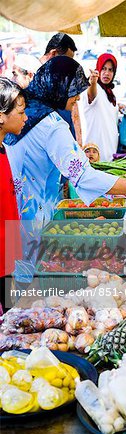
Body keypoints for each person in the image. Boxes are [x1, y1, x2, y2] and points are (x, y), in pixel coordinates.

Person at [5, 56, 126, 284]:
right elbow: (83, 175)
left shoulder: (25, 112)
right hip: (36, 222)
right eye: (74, 89)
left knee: (17, 281)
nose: (78, 96)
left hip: (14, 213)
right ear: (59, 87)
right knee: (32, 287)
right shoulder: (52, 126)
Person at [0, 78, 27, 311]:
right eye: (20, 112)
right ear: (1, 115)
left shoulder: (6, 149)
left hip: (6, 254)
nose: (25, 117)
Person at [78, 53, 120, 162]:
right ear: (99, 69)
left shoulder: (110, 93)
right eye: (104, 69)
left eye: (110, 70)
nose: (107, 73)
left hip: (110, 148)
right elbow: (91, 95)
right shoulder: (94, 88)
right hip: (95, 151)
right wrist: (93, 81)